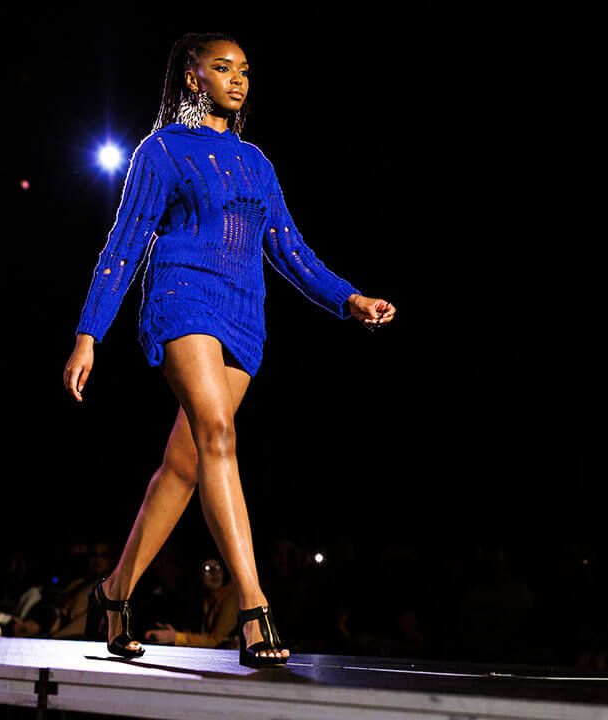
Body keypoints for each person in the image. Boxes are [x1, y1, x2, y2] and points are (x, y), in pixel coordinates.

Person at [62, 32, 395, 668]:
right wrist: (88, 336)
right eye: (223, 68)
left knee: (187, 463)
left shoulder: (256, 162)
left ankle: (114, 592)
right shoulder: (160, 153)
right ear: (193, 78)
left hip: (244, 316)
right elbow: (124, 245)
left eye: (245, 69)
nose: (238, 79)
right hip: (182, 298)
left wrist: (350, 300)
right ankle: (253, 607)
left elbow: (290, 250)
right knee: (217, 434)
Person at [144, 557, 240, 649]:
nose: (214, 573)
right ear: (199, 574)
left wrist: (175, 637)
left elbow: (214, 640)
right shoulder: (200, 596)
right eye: (207, 568)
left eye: (217, 567)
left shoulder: (231, 596)